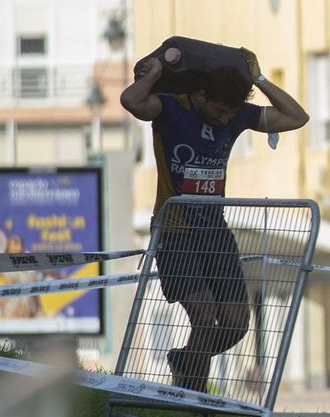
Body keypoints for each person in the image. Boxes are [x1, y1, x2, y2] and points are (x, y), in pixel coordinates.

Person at [122, 48, 309, 392]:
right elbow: (132, 101)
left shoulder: (236, 116)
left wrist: (258, 79)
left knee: (237, 325)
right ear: (201, 94)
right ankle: (194, 398)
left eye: (231, 113)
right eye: (219, 111)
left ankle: (185, 361)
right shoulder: (171, 107)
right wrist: (153, 73)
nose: (224, 120)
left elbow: (297, 117)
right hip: (175, 231)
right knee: (205, 319)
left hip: (215, 232)